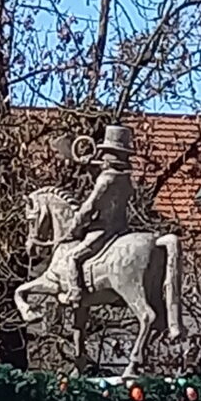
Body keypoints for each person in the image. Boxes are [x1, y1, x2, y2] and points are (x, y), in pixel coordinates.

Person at [57, 124, 135, 304]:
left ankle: (75, 293)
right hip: (122, 229)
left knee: (73, 257)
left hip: (103, 230)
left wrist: (75, 227)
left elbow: (88, 207)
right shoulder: (125, 179)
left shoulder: (105, 179)